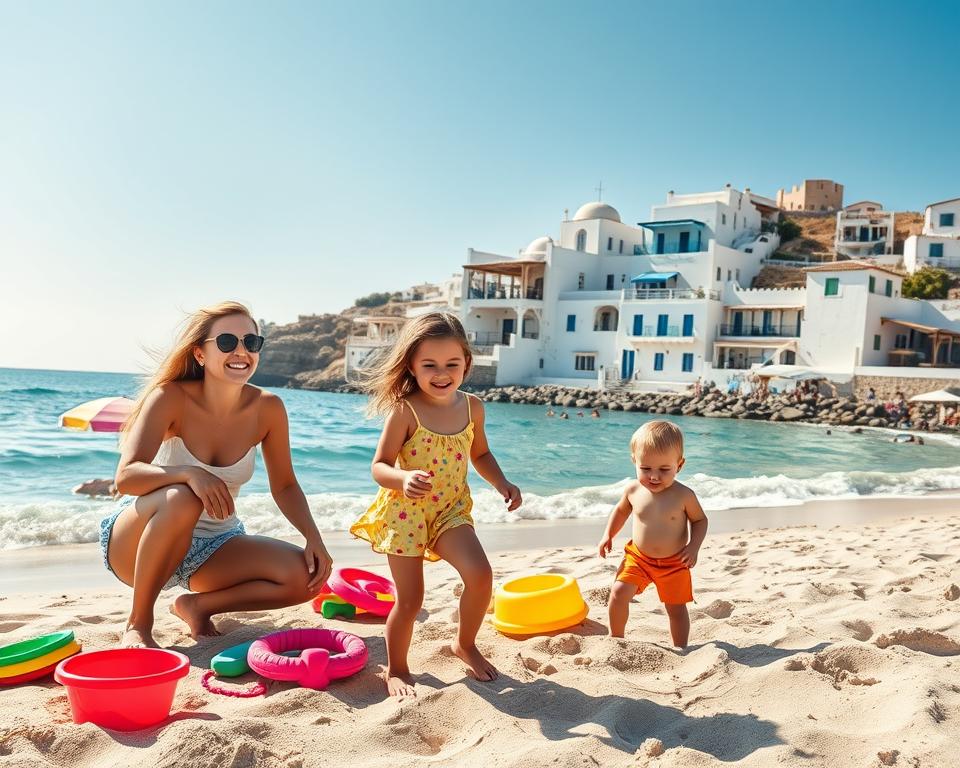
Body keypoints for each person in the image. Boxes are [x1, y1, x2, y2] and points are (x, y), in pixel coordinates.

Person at [102, 302, 332, 649]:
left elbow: (285, 485)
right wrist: (190, 473)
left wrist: (314, 538)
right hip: (138, 543)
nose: (241, 352)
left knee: (306, 578)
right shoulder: (170, 398)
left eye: (251, 343)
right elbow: (127, 476)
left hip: (213, 547)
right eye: (226, 342)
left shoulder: (268, 408)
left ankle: (196, 605)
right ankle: (140, 621)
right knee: (183, 495)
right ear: (199, 354)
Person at [350, 312, 522, 698]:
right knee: (410, 600)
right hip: (406, 513)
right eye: (429, 365)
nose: (441, 373)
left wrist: (502, 482)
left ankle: (465, 644)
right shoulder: (405, 410)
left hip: (450, 510)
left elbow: (481, 454)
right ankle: (397, 668)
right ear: (411, 365)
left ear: (466, 364)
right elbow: (379, 466)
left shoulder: (473, 407)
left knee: (480, 575)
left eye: (451, 364)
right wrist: (403, 478)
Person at [597, 421, 707, 648]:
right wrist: (608, 535)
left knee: (675, 608)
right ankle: (616, 639)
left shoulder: (684, 495)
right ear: (634, 461)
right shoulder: (633, 490)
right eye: (646, 469)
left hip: (675, 562)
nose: (654, 476)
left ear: (680, 465)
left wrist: (694, 546)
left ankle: (681, 647)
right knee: (618, 592)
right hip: (639, 558)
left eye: (664, 470)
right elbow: (620, 511)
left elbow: (700, 520)